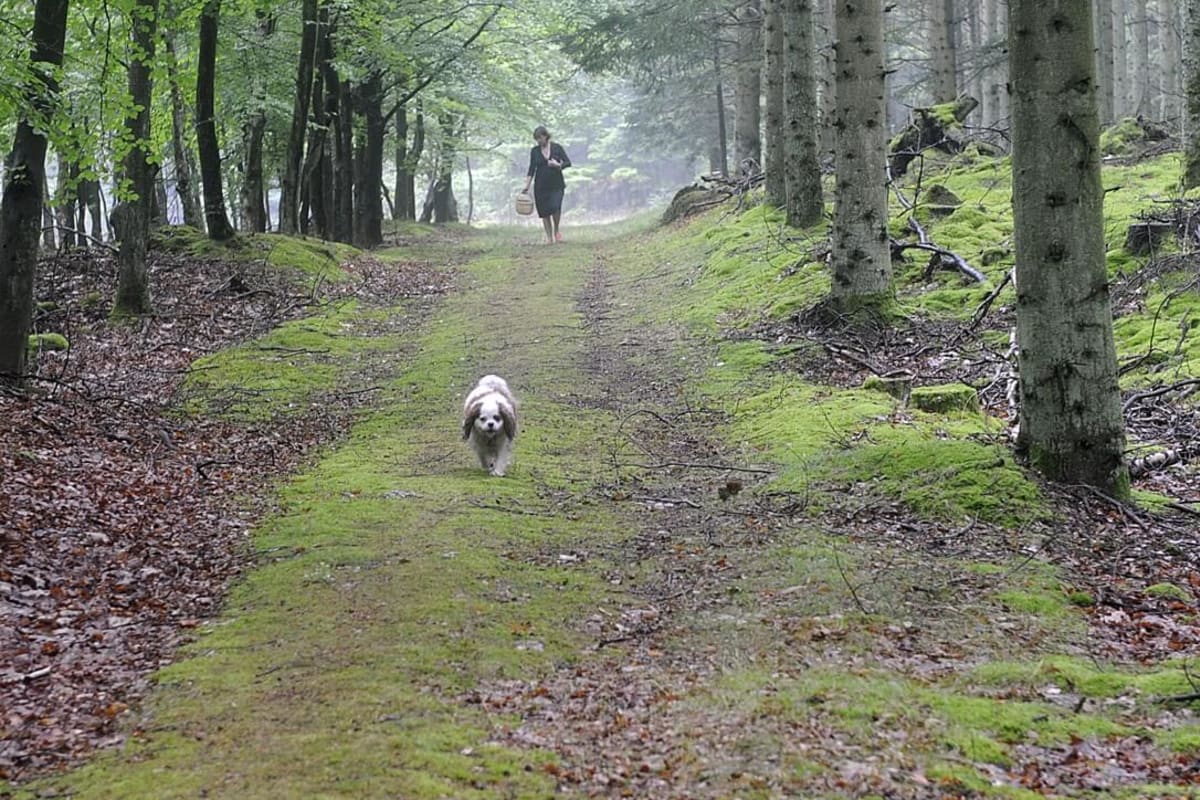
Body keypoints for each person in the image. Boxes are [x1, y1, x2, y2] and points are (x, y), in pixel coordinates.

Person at [522, 126, 571, 243]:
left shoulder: (557, 148)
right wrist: (526, 186)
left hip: (556, 184)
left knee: (555, 207)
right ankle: (549, 237)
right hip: (540, 186)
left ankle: (556, 230)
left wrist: (558, 165)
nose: (539, 141)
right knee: (544, 211)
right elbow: (531, 169)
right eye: (537, 139)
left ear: (545, 136)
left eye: (540, 138)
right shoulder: (534, 151)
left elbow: (568, 162)